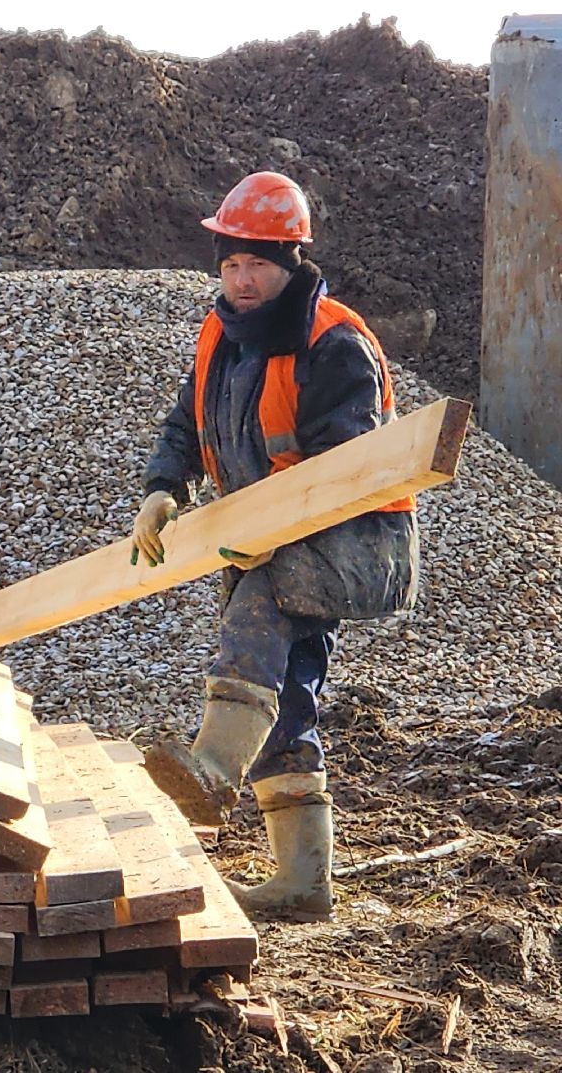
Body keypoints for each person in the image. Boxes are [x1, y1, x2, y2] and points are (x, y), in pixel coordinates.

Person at [131, 171, 419, 922]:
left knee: (255, 620)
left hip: (349, 540)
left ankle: (212, 770)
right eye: (230, 263)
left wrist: (268, 530)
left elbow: (348, 471)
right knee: (288, 703)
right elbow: (185, 426)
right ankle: (304, 883)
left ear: (292, 261)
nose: (242, 278)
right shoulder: (221, 335)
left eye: (257, 263)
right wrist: (166, 486)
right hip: (264, 538)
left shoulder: (335, 344)